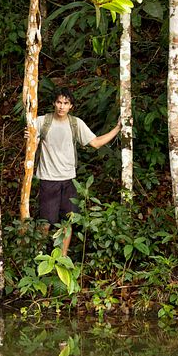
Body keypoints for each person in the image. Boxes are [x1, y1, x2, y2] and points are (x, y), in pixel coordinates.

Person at [35, 87, 120, 255]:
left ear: (71, 106)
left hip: (69, 180)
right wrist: (28, 136)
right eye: (59, 102)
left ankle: (62, 258)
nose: (61, 106)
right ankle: (39, 257)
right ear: (54, 103)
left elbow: (95, 143)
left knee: (68, 221)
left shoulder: (76, 124)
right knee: (45, 222)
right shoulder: (42, 122)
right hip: (48, 179)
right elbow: (30, 144)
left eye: (66, 103)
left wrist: (117, 129)